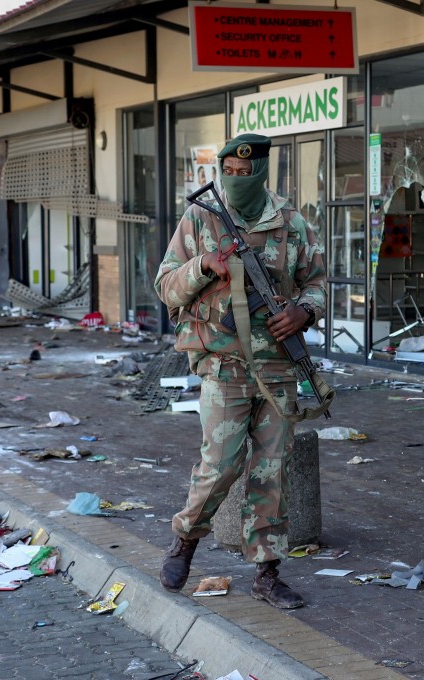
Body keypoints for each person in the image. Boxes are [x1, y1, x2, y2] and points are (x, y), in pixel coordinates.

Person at [155, 132, 327, 608]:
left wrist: (304, 313)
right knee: (221, 464)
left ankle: (268, 572)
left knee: (272, 472)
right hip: (224, 365)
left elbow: (317, 284)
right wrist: (204, 266)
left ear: (262, 172)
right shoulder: (200, 218)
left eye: (244, 173)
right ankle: (185, 540)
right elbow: (165, 285)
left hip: (277, 368)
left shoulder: (291, 223)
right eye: (227, 172)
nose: (236, 180)